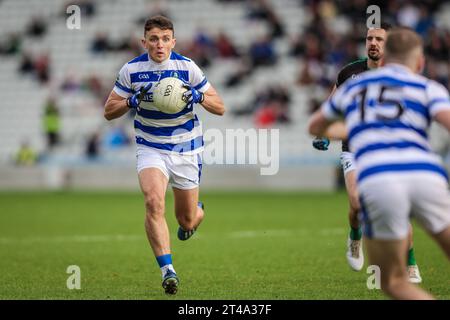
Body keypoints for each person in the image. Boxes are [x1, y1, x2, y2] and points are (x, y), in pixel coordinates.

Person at [308, 27, 450, 299]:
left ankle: (409, 262)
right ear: (418, 62)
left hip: (377, 167)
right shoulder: (422, 85)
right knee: (358, 204)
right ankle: (355, 237)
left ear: (389, 50)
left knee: (393, 282)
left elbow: (318, 122)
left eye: (379, 40)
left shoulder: (359, 87)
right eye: (369, 39)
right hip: (419, 169)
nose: (373, 43)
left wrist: (327, 132)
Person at [104, 15, 225, 295]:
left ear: (173, 41)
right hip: (151, 147)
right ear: (143, 41)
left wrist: (198, 96)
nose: (160, 44)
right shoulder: (131, 70)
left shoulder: (187, 67)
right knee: (153, 201)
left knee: (186, 220)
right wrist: (130, 101)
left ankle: (197, 214)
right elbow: (109, 111)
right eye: (154, 39)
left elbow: (220, 107)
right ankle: (167, 270)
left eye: (165, 38)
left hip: (186, 148)